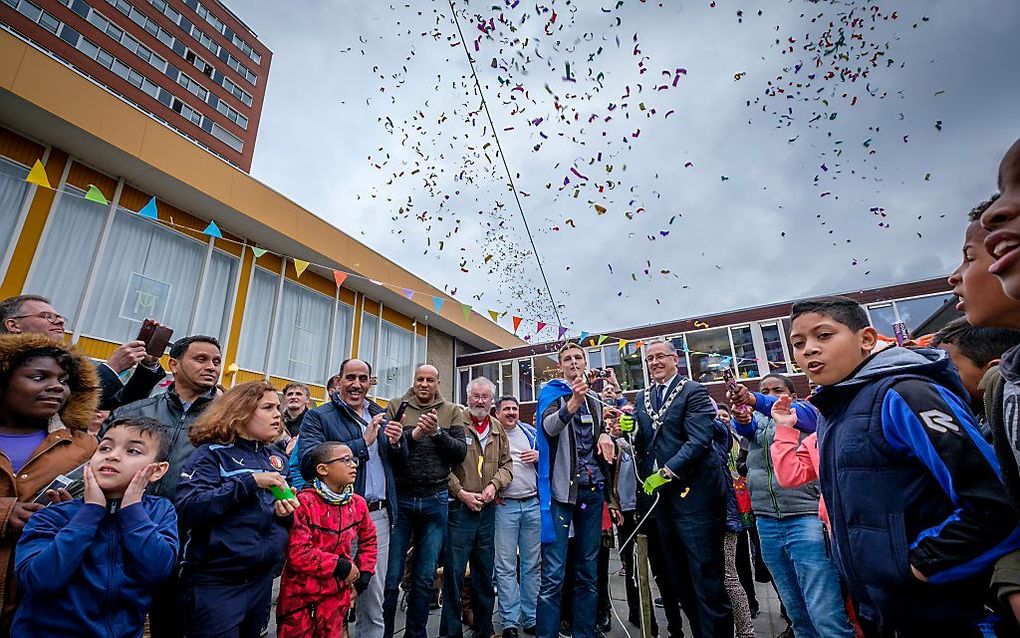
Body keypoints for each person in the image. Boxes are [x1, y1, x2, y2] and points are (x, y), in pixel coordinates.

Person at [782, 295, 1020, 635]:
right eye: (798, 343)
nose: (809, 350)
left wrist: (917, 565)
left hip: (941, 611)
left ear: (865, 339)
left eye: (824, 335)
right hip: (884, 611)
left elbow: (994, 504)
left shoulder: (907, 393)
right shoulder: (834, 410)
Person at [11, 417, 177, 637]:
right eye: (105, 447)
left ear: (156, 470)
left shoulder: (160, 512)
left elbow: (157, 570)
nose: (113, 455)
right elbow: (39, 580)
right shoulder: (55, 514)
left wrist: (133, 512)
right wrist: (90, 514)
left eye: (132, 451)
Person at [619, 340, 732, 637]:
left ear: (675, 359)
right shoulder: (642, 397)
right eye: (649, 358)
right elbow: (644, 444)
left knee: (706, 577)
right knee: (678, 578)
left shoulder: (694, 391)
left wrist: (667, 472)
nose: (654, 362)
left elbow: (698, 441)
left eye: (660, 357)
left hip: (694, 498)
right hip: (662, 505)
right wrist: (632, 431)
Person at [730, 374, 855, 638]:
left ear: (793, 395)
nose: (772, 394)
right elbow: (745, 430)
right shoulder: (759, 422)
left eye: (778, 389)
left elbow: (802, 417)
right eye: (765, 390)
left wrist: (754, 398)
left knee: (825, 610)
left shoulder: (805, 412)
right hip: (766, 520)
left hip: (805, 516)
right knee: (795, 610)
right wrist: (741, 417)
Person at [175, 381, 298, 638]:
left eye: (278, 407)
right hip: (216, 583)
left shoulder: (277, 459)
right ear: (241, 411)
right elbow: (188, 509)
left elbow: (269, 518)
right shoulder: (211, 455)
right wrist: (250, 481)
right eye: (268, 407)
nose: (278, 414)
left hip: (261, 582)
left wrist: (284, 513)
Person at [298, 359, 406, 638]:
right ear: (339, 380)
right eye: (350, 378)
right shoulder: (319, 416)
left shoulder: (380, 415)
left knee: (373, 599)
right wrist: (361, 444)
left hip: (378, 517)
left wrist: (398, 444)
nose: (356, 384)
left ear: (370, 382)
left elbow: (399, 465)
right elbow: (308, 462)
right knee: (328, 596)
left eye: (363, 378)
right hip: (334, 518)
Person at [0, 333, 99, 635]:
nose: (56, 387)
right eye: (39, 376)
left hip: (39, 599)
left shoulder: (86, 447)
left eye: (64, 380)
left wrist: (72, 515)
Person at [535, 342, 617, 638]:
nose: (573, 362)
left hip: (592, 491)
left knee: (588, 569)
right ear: (561, 366)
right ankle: (547, 633)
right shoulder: (552, 394)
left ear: (585, 362)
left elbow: (604, 428)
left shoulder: (594, 399)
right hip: (561, 493)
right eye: (567, 359)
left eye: (578, 358)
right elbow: (549, 429)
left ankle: (584, 631)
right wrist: (572, 402)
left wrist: (607, 432)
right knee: (554, 573)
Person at [383, 364, 467, 638]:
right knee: (391, 576)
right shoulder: (396, 406)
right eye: (420, 379)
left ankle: (416, 633)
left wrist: (437, 433)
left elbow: (459, 453)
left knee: (425, 576)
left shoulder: (452, 410)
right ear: (414, 381)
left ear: (438, 383)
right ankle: (384, 631)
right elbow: (389, 453)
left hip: (435, 499)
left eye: (430, 380)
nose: (424, 384)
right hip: (401, 500)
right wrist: (414, 435)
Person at [277, 442, 378, 638]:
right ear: (323, 469)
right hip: (300, 598)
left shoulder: (357, 503)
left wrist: (363, 577)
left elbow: (369, 541)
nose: (354, 465)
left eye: (353, 460)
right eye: (345, 460)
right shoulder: (304, 502)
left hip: (336, 598)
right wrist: (341, 566)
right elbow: (298, 553)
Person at [0, 294, 165, 410]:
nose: (59, 321)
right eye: (47, 316)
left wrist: (147, 365)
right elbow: (63, 406)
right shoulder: (5, 362)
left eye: (60, 317)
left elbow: (120, 405)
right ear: (14, 325)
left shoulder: (68, 362)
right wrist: (112, 368)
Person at [441, 377, 512, 638]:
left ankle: (484, 629)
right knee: (454, 576)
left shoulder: (497, 428)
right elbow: (443, 467)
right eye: (476, 396)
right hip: (460, 511)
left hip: (487, 512)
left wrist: (494, 485)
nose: (480, 401)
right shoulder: (455, 424)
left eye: (485, 397)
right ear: (468, 397)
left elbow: (507, 465)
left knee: (484, 576)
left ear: (492, 401)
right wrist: (461, 493)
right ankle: (450, 632)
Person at [493, 395, 540, 638]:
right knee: (505, 566)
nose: (511, 413)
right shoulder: (492, 435)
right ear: (497, 412)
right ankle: (510, 620)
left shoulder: (530, 432)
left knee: (532, 565)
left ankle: (531, 617)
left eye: (514, 408)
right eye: (506, 409)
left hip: (532, 504)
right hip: (505, 507)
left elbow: (550, 460)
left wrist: (539, 457)